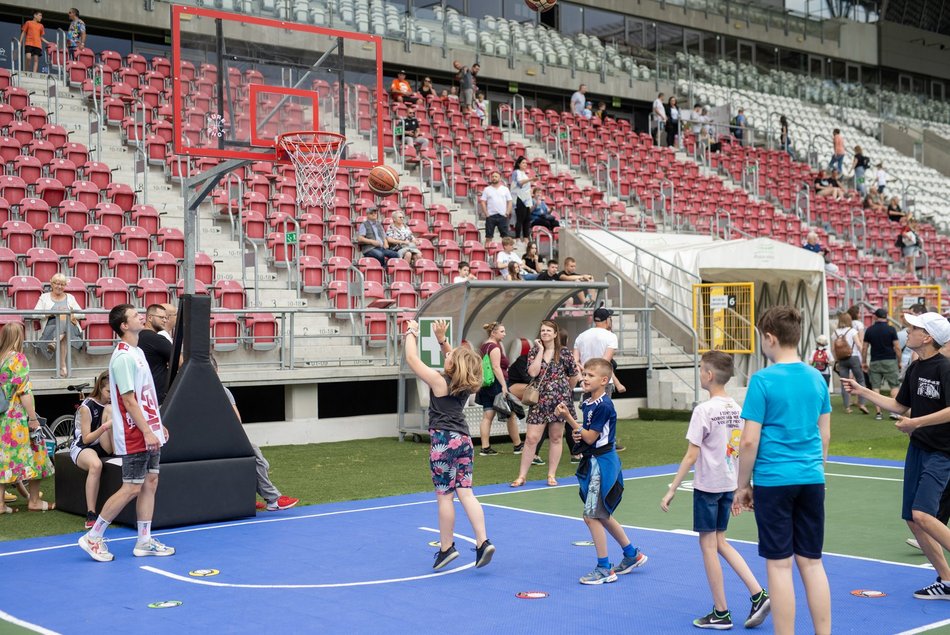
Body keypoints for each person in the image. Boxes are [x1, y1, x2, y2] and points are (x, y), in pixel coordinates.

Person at [734, 306, 832, 635]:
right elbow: (825, 434)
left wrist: (742, 485)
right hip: (811, 478)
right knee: (812, 562)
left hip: (775, 480)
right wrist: (818, 472)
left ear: (770, 338)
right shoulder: (816, 377)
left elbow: (749, 441)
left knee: (779, 565)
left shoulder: (762, 380)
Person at [840, 312, 950, 600]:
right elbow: (900, 406)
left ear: (927, 337)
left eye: (913, 328)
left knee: (923, 514)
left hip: (943, 451)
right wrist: (863, 390)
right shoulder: (914, 369)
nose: (907, 331)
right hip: (918, 449)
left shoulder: (945, 368)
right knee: (913, 519)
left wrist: (916, 423)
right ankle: (947, 581)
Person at [661, 351, 771, 630]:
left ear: (709, 375)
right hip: (728, 484)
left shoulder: (704, 410)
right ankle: (758, 594)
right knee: (720, 541)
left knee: (708, 545)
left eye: (700, 369)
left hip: (709, 485)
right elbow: (742, 449)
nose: (699, 373)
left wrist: (672, 488)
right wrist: (741, 486)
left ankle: (721, 612)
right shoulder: (737, 407)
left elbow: (690, 456)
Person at [78, 304, 174, 562]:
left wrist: (157, 423)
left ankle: (144, 541)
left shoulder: (138, 351)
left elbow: (146, 396)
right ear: (123, 325)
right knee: (132, 487)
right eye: (134, 315)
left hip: (148, 429)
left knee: (150, 483)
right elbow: (129, 401)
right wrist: (146, 430)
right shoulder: (122, 357)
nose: (140, 317)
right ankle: (93, 536)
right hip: (134, 433)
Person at [404, 318, 495, 569]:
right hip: (464, 440)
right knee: (466, 492)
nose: (448, 354)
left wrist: (411, 332)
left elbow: (412, 360)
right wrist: (442, 341)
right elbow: (458, 360)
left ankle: (446, 548)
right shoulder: (464, 382)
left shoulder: (439, 381)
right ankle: (482, 541)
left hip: (444, 440)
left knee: (445, 496)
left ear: (452, 364)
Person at [555, 358, 647, 584]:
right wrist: (579, 432)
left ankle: (604, 568)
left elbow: (589, 436)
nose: (584, 378)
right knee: (601, 514)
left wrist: (569, 419)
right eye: (584, 374)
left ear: (604, 380)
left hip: (602, 464)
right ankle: (631, 554)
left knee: (592, 516)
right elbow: (587, 434)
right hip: (594, 461)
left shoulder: (604, 405)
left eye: (590, 375)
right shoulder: (588, 402)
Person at [209, 356, 298, 512]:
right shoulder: (193, 392)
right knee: (256, 455)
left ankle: (249, 498)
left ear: (217, 371)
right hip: (208, 440)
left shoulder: (224, 392)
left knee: (258, 457)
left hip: (225, 438)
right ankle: (273, 499)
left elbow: (237, 421)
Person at [510, 321, 578, 487]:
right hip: (540, 400)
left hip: (559, 400)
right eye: (542, 330)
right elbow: (533, 372)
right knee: (531, 438)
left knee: (556, 437)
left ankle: (551, 474)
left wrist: (566, 391)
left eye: (549, 330)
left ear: (555, 334)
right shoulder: (534, 351)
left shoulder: (564, 353)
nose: (545, 333)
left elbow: (574, 374)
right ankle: (522, 476)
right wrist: (541, 350)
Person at [0, 322, 54, 512]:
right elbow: (24, 392)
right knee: (38, 452)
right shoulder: (18, 359)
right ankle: (34, 501)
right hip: (16, 417)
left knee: (4, 458)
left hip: (1, 417)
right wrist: (33, 419)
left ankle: (0, 503)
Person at [69, 370, 113, 529]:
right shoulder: (86, 406)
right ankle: (91, 513)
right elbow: (86, 438)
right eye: (108, 391)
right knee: (96, 465)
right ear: (100, 388)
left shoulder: (112, 405)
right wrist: (105, 427)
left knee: (110, 410)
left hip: (104, 444)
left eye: (114, 391)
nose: (110, 395)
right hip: (84, 446)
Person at [474, 322, 522, 457]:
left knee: (487, 415)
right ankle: (518, 445)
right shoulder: (494, 347)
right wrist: (503, 385)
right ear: (493, 333)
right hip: (496, 384)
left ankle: (485, 447)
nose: (504, 334)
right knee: (511, 414)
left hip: (486, 385)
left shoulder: (484, 346)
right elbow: (496, 367)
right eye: (502, 331)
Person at [33, 272, 83, 377]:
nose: (59, 286)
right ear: (51, 283)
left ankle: (55, 342)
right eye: (56, 283)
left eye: (62, 284)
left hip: (70, 327)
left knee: (64, 317)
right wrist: (51, 313)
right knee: (63, 327)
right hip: (51, 327)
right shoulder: (44, 297)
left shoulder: (70, 297)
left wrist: (70, 313)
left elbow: (82, 314)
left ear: (65, 286)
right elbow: (34, 314)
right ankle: (63, 367)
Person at [574, 307, 627, 395]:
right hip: (603, 382)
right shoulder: (611, 336)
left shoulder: (581, 336)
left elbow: (575, 362)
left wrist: (581, 381)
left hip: (587, 381)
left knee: (589, 407)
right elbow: (604, 363)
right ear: (607, 320)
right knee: (603, 407)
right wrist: (618, 384)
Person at [862, 308, 902, 420]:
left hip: (875, 361)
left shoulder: (869, 330)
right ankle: (894, 412)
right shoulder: (891, 329)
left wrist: (864, 362)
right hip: (890, 360)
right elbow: (897, 347)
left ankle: (878, 413)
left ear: (875, 316)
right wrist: (900, 362)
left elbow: (864, 348)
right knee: (894, 386)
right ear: (886, 316)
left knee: (875, 387)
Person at [833, 311, 868, 415]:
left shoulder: (834, 333)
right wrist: (863, 358)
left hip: (842, 359)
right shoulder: (852, 331)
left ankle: (847, 407)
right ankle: (861, 403)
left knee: (845, 383)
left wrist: (837, 361)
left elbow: (833, 349)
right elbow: (858, 344)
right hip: (854, 357)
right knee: (861, 380)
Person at [137, 304, 172, 405]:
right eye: (161, 317)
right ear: (150, 318)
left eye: (166, 318)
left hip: (144, 396)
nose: (165, 321)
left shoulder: (137, 336)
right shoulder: (157, 339)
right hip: (157, 398)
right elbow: (181, 362)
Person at [479, 171, 512, 248]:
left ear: (500, 178)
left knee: (505, 238)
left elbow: (510, 201)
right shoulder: (487, 189)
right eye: (493, 176)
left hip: (502, 216)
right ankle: (487, 254)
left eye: (496, 176)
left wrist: (507, 213)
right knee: (488, 237)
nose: (494, 178)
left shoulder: (505, 189)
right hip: (491, 216)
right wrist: (486, 213)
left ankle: (505, 253)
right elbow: (483, 201)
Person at [509, 156, 534, 241]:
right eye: (523, 163)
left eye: (526, 163)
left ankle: (526, 238)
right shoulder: (516, 172)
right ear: (519, 164)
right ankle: (517, 238)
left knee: (527, 219)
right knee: (520, 218)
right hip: (519, 198)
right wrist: (531, 179)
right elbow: (519, 183)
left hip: (526, 199)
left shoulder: (524, 174)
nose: (525, 164)